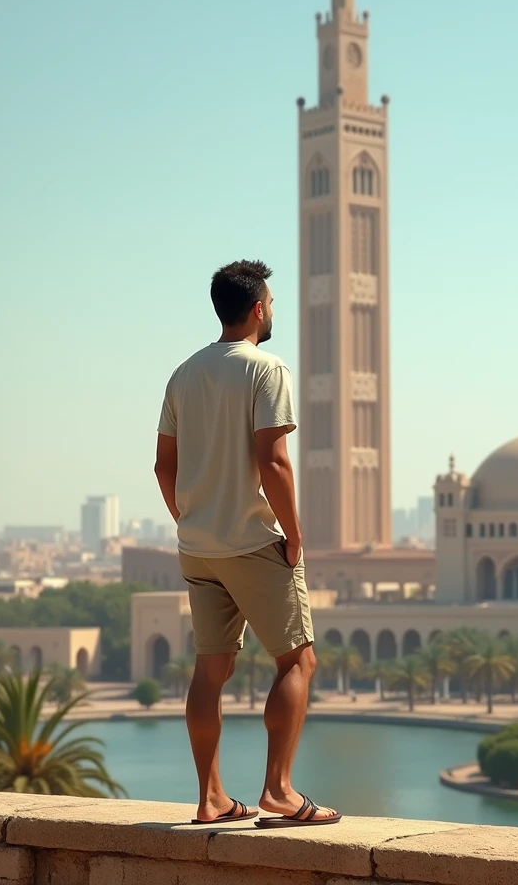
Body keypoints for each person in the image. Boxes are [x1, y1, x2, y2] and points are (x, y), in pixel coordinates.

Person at [154, 259, 340, 828]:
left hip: (198, 545)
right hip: (254, 541)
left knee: (211, 668)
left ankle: (211, 799)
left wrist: (191, 519)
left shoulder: (183, 374)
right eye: (273, 303)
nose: (274, 311)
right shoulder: (267, 369)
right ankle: (278, 792)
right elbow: (274, 460)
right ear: (258, 307)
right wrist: (295, 535)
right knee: (298, 660)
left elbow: (164, 468)